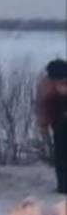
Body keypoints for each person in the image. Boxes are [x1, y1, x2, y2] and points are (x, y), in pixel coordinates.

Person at [36, 58, 67, 194]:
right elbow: (42, 107)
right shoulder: (46, 86)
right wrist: (43, 126)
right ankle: (63, 187)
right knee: (61, 155)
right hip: (59, 122)